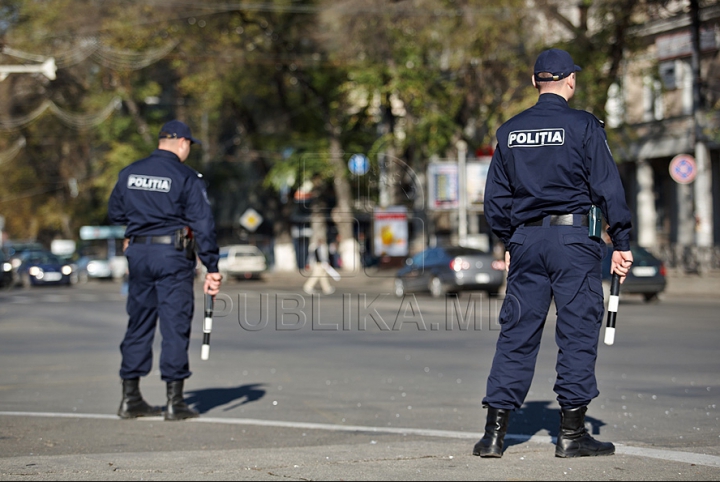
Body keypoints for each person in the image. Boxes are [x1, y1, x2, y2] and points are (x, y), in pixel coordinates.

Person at [473, 48, 634, 458]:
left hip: (526, 241)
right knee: (577, 333)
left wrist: (511, 241)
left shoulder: (510, 130)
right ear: (571, 81)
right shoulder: (583, 125)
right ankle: (572, 435)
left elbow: (495, 200)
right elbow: (608, 188)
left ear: (534, 82)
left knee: (516, 334)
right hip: (573, 242)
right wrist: (623, 241)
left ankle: (492, 437)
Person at [108, 120, 223, 421]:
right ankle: (175, 402)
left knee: (139, 322)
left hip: (139, 254)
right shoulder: (186, 177)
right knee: (175, 324)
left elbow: (116, 212)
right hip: (172, 256)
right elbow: (203, 224)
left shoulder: (130, 172)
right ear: (183, 143)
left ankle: (130, 398)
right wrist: (212, 266)